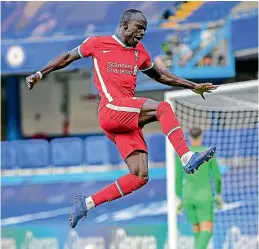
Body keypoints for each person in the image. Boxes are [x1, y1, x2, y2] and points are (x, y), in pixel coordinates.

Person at [25, 9, 218, 229]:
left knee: (140, 175)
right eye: (139, 28)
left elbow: (162, 75)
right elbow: (68, 57)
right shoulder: (97, 43)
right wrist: (40, 73)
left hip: (124, 117)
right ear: (125, 24)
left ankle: (86, 204)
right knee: (163, 108)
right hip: (110, 109)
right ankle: (186, 157)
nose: (142, 33)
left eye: (144, 30)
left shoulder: (139, 52)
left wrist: (193, 86)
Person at [176, 127, 223, 249]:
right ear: (201, 137)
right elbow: (217, 178)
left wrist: (179, 198)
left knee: (197, 231)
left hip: (188, 197)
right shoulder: (207, 153)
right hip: (204, 197)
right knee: (207, 231)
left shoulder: (183, 155)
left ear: (189, 138)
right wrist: (218, 194)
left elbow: (177, 179)